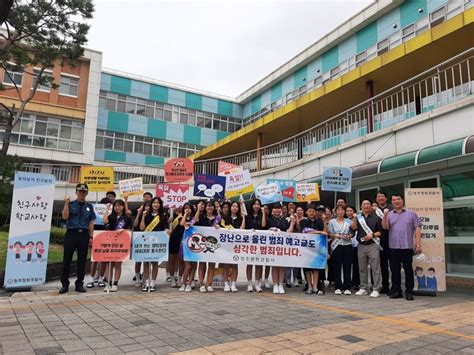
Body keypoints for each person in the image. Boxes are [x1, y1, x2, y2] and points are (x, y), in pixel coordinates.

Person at [381, 194, 422, 301]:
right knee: (395, 270)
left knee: (408, 270)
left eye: (398, 199)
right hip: (393, 247)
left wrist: (418, 244)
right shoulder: (389, 214)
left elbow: (417, 229)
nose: (396, 201)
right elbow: (385, 227)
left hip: (407, 246)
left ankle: (409, 291)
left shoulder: (411, 214)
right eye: (394, 200)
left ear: (402, 201)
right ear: (392, 202)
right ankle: (397, 291)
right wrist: (385, 215)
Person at [59, 183, 96, 294]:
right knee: (67, 260)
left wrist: (91, 236)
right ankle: (64, 284)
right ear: (76, 192)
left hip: (84, 235)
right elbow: (65, 216)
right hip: (71, 233)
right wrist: (65, 203)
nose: (81, 193)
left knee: (82, 261)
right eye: (79, 191)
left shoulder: (89, 206)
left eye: (84, 192)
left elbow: (91, 222)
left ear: (87, 193)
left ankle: (79, 283)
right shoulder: (70, 204)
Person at [351, 199, 383, 298]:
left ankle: (376, 288)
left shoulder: (377, 218)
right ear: (361, 206)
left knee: (375, 268)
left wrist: (372, 235)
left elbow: (380, 232)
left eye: (367, 204)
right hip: (361, 246)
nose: (366, 206)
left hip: (373, 244)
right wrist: (355, 218)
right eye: (364, 204)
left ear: (371, 206)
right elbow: (353, 228)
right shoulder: (358, 217)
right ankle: (363, 288)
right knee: (362, 268)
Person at [140, 197, 169, 292]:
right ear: (151, 204)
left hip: (157, 241)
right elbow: (142, 228)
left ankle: (152, 282)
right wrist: (143, 216)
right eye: (154, 203)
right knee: (146, 262)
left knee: (155, 263)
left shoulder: (162, 216)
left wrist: (167, 230)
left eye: (158, 203)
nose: (156, 204)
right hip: (147, 242)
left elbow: (165, 227)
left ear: (160, 205)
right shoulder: (146, 215)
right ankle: (146, 282)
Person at [102, 198, 132, 292]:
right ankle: (109, 283)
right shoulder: (111, 217)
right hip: (111, 242)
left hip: (121, 243)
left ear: (123, 207)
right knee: (110, 263)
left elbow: (129, 230)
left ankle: (115, 283)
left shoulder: (126, 218)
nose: (118, 207)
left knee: (118, 263)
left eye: (120, 205)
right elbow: (105, 221)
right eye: (116, 205)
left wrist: (123, 230)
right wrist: (107, 210)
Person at [268, 203, 295, 294]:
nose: (277, 210)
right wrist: (270, 230)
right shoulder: (269, 220)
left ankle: (281, 284)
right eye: (275, 208)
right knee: (275, 265)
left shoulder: (285, 220)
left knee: (282, 265)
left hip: (283, 246)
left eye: (278, 208)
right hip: (273, 246)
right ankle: (275, 284)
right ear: (272, 211)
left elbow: (289, 231)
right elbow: (264, 231)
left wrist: (292, 223)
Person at [194, 200, 220, 293]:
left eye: (212, 206)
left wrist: (218, 227)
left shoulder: (217, 218)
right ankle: (201, 284)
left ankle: (209, 284)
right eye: (208, 206)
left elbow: (221, 229)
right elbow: (194, 221)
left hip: (212, 243)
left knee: (212, 264)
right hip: (202, 243)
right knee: (202, 264)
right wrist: (198, 209)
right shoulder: (201, 216)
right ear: (205, 207)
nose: (210, 207)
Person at [300, 203, 327, 295]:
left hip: (317, 248)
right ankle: (309, 286)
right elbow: (305, 232)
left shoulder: (319, 221)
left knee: (316, 267)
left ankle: (315, 286)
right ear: (306, 212)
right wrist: (318, 232)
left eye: (313, 211)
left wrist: (324, 222)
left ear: (315, 212)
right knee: (307, 268)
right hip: (306, 248)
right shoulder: (303, 221)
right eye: (309, 211)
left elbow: (324, 233)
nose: (311, 213)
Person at [221, 201, 245, 292]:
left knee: (235, 265)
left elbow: (242, 229)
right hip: (226, 246)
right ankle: (226, 284)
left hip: (236, 246)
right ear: (230, 207)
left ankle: (233, 284)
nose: (235, 208)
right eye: (233, 206)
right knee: (226, 265)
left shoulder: (239, 218)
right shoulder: (224, 219)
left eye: (237, 207)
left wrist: (243, 219)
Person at [328, 205, 353, 295]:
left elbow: (352, 233)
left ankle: (347, 287)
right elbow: (329, 233)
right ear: (335, 211)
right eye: (339, 210)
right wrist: (335, 235)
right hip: (336, 245)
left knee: (347, 266)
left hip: (347, 245)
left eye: (342, 210)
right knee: (336, 266)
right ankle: (338, 286)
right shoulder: (331, 222)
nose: (340, 212)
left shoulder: (349, 221)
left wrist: (349, 236)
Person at [245, 199, 267, 292]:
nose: (256, 206)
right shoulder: (247, 216)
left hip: (260, 243)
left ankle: (257, 283)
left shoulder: (262, 215)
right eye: (255, 204)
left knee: (259, 263)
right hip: (250, 243)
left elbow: (263, 225)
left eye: (258, 204)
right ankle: (249, 283)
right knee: (249, 263)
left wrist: (263, 213)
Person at [133, 192, 153, 287]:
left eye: (148, 197)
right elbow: (135, 225)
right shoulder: (140, 212)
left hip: (151, 239)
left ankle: (146, 279)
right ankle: (137, 278)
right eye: (145, 197)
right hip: (139, 237)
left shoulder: (154, 215)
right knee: (138, 260)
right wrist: (139, 214)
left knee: (148, 260)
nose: (147, 208)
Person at [375, 191, 393, 294]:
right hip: (380, 241)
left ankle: (395, 286)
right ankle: (385, 286)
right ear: (376, 199)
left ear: (386, 198)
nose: (380, 198)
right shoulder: (375, 210)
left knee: (394, 265)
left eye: (382, 196)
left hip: (392, 239)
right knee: (383, 265)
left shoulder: (391, 208)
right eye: (378, 197)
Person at [177, 203, 196, 292]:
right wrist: (184, 214)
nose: (187, 209)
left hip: (195, 244)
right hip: (184, 244)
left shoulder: (195, 218)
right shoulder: (181, 218)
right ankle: (183, 283)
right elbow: (181, 223)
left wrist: (198, 209)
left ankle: (189, 283)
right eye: (186, 208)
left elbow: (196, 219)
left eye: (189, 208)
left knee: (193, 266)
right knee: (187, 265)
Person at [346, 206, 360, 290]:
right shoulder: (343, 221)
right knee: (347, 265)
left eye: (351, 211)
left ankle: (356, 282)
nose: (349, 212)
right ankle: (348, 282)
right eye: (347, 211)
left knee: (356, 265)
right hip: (347, 244)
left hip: (357, 245)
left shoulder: (359, 220)